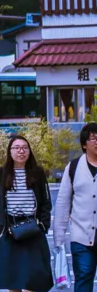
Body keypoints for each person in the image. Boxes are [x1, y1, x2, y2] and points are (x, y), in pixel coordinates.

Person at [0, 134, 53, 292]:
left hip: (32, 229)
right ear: (10, 151)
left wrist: (43, 224)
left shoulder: (37, 173)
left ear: (29, 151)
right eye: (16, 148)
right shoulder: (0, 173)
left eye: (24, 148)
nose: (21, 151)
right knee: (13, 280)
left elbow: (45, 202)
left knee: (35, 279)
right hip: (9, 230)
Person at [54, 122, 97, 291]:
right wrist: (59, 238)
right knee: (83, 278)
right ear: (84, 144)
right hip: (81, 237)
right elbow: (63, 203)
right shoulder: (73, 167)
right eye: (93, 138)